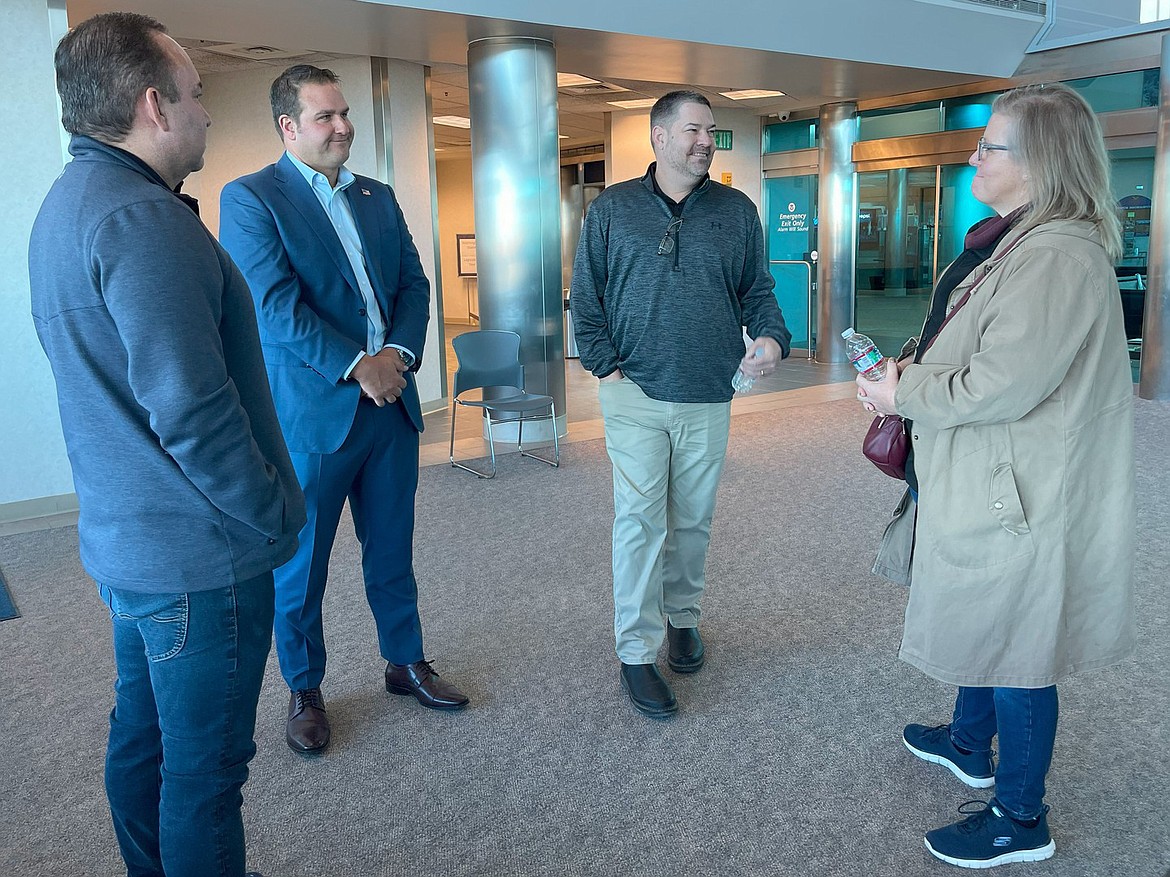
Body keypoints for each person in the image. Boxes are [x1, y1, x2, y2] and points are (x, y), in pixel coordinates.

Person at [28, 13, 306, 877]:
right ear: (153, 104)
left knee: (143, 745)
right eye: (196, 94)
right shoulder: (142, 222)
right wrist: (268, 514)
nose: (207, 114)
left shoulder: (69, 203)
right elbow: (192, 409)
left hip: (134, 543)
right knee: (203, 775)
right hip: (198, 558)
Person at [859, 83, 1135, 869]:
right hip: (992, 470)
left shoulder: (1054, 254)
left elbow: (999, 385)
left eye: (992, 144)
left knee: (1018, 644)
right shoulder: (1023, 238)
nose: (975, 154)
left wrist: (898, 391)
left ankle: (1021, 814)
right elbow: (974, 344)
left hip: (1020, 484)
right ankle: (967, 740)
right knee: (988, 615)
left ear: (1041, 161)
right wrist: (909, 370)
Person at [219, 65, 468, 755]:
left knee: (392, 548)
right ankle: (303, 686)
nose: (343, 126)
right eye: (325, 117)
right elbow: (274, 307)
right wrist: (359, 366)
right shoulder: (250, 199)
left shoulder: (378, 197)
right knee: (302, 566)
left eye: (345, 113)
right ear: (288, 127)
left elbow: (414, 286)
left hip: (390, 409)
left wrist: (397, 357)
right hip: (314, 417)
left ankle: (404, 659)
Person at [571, 90, 791, 717]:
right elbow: (586, 296)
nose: (705, 142)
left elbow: (757, 289)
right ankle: (636, 653)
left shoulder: (735, 210)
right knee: (640, 522)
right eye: (693, 130)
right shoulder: (612, 210)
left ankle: (683, 618)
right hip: (633, 391)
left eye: (711, 132)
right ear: (658, 137)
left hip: (707, 392)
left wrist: (773, 336)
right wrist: (604, 365)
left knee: (692, 519)